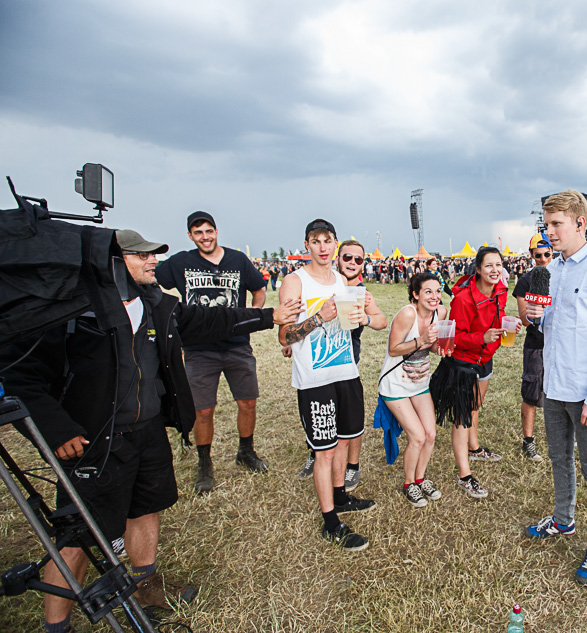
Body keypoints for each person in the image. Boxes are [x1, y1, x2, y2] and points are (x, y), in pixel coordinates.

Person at [0, 229, 301, 632]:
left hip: (148, 431)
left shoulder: (155, 303)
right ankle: (57, 625)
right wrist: (57, 430)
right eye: (140, 256)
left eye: (153, 255)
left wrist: (268, 317)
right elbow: (21, 376)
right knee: (78, 537)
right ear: (112, 261)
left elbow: (209, 319)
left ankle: (147, 591)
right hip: (95, 442)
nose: (152, 261)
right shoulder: (73, 310)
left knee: (146, 511)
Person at [523, 189, 587, 586]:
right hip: (555, 385)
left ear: (580, 223)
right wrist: (536, 318)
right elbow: (556, 328)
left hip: (586, 393)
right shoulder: (554, 270)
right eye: (545, 225)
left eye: (555, 225)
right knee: (559, 459)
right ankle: (564, 520)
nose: (548, 232)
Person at [279, 220, 376, 552]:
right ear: (307, 244)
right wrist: (319, 316)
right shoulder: (294, 282)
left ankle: (341, 497)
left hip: (346, 372)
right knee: (325, 451)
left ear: (334, 244)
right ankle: (331, 522)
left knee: (345, 441)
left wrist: (360, 317)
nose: (322, 247)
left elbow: (362, 321)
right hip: (315, 379)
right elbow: (284, 336)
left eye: (328, 240)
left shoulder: (342, 281)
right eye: (315, 241)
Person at [156, 211, 270, 494]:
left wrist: (253, 313)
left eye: (209, 231)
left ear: (216, 231)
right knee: (203, 409)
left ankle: (246, 451)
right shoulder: (181, 262)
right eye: (198, 233)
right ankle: (204, 463)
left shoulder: (237, 260)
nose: (205, 237)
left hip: (237, 344)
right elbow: (152, 276)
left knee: (247, 402)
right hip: (198, 347)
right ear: (190, 236)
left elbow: (259, 287)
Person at [297, 240, 387, 486]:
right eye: (347, 257)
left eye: (358, 260)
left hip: (347, 361)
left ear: (363, 264)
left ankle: (352, 466)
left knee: (351, 419)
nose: (352, 263)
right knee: (321, 417)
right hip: (318, 361)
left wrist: (366, 318)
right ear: (338, 257)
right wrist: (289, 341)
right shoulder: (326, 283)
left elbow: (382, 321)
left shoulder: (361, 292)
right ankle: (316, 455)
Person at [430, 246, 516, 499]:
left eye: (498, 265)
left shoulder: (501, 290)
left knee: (475, 407)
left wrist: (507, 324)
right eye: (488, 265)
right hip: (464, 364)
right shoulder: (464, 299)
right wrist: (483, 337)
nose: (494, 270)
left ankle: (475, 448)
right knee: (462, 418)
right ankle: (464, 475)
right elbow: (454, 338)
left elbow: (495, 318)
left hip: (485, 359)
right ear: (477, 269)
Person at [379, 272, 447, 506]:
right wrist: (422, 340)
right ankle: (410, 484)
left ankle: (421, 478)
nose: (435, 296)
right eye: (428, 291)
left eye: (438, 291)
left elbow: (434, 346)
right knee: (417, 437)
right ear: (416, 295)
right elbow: (393, 349)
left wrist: (441, 347)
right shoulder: (407, 314)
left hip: (420, 383)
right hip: (395, 384)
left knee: (430, 434)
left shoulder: (441, 313)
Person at [512, 233, 553, 461]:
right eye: (539, 255)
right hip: (536, 343)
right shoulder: (526, 281)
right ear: (531, 255)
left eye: (547, 254)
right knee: (531, 392)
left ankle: (567, 436)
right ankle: (528, 442)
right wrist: (534, 308)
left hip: (561, 343)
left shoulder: (563, 276)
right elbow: (524, 318)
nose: (544, 259)